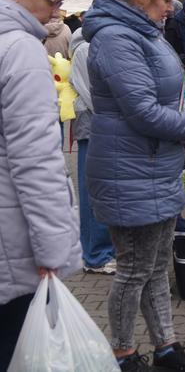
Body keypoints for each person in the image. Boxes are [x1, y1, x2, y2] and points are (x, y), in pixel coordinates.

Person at [82, 0, 185, 372]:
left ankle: (166, 347)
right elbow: (144, 111)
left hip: (151, 167)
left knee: (155, 266)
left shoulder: (143, 32)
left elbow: (173, 94)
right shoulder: (118, 38)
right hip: (130, 170)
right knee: (133, 269)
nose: (171, 6)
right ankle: (122, 352)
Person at [0, 0, 82, 369]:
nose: (56, 12)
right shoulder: (21, 51)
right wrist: (53, 252)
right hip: (14, 251)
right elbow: (36, 163)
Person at [69, 27, 116, 274]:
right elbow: (91, 96)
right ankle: (95, 255)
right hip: (93, 128)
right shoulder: (85, 48)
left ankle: (103, 251)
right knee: (92, 192)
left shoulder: (104, 44)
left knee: (105, 191)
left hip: (107, 127)